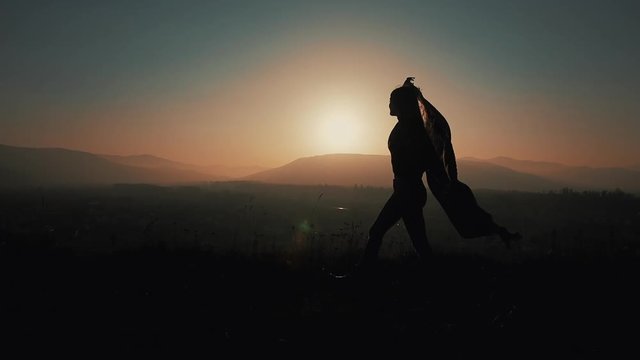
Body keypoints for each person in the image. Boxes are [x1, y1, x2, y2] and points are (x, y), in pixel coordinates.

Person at [359, 77, 521, 271]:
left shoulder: (414, 131)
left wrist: (449, 184)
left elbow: (429, 161)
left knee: (376, 231)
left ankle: (362, 277)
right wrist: (407, 89)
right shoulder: (407, 126)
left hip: (408, 193)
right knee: (420, 244)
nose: (389, 104)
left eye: (391, 100)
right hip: (408, 192)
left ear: (401, 104)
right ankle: (435, 279)